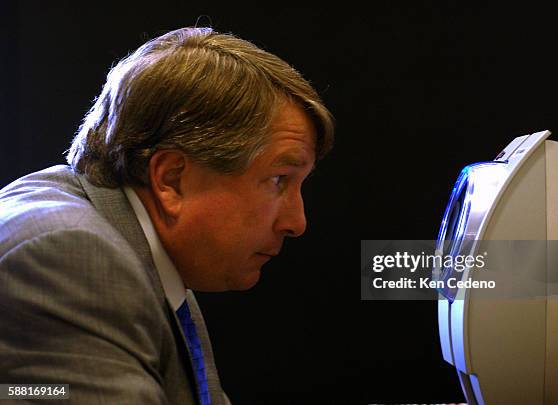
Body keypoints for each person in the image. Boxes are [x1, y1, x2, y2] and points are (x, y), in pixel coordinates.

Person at [0, 27, 334, 404]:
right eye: (278, 180)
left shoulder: (146, 256)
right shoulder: (68, 256)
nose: (296, 222)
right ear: (171, 179)